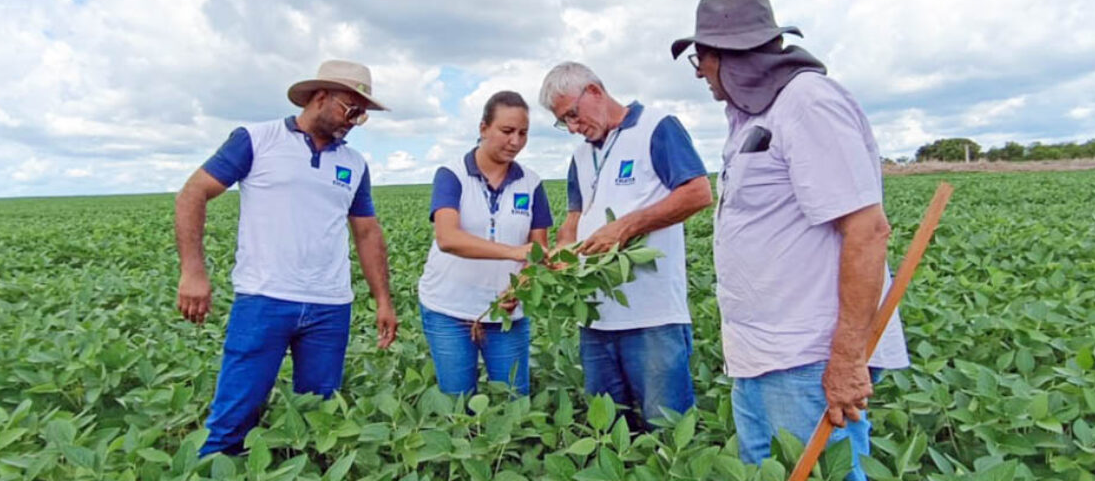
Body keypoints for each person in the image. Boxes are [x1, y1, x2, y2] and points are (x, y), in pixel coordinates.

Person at [672, 0, 909, 479]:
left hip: (808, 356)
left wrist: (846, 359)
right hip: (763, 355)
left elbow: (866, 230)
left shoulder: (807, 103)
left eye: (702, 57)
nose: (699, 71)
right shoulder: (753, 114)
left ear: (730, 54)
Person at [174, 59, 399, 457]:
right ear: (320, 97)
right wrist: (194, 271)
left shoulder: (354, 163)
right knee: (234, 415)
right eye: (351, 108)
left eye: (363, 113)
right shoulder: (256, 139)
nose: (357, 120)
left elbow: (366, 231)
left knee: (319, 417)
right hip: (264, 298)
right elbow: (193, 193)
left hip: (330, 306)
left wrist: (383, 299)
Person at [538, 62, 712, 430]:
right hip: (596, 317)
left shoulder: (656, 127)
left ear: (596, 92)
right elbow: (573, 218)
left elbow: (698, 193)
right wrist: (565, 249)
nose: (572, 127)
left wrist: (625, 227)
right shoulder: (582, 155)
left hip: (653, 317)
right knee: (609, 429)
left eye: (572, 114)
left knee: (665, 430)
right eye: (562, 122)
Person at [417, 91, 553, 396]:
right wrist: (513, 252)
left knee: (514, 400)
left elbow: (538, 250)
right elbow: (447, 238)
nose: (515, 141)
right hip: (449, 307)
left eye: (523, 133)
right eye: (507, 131)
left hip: (506, 313)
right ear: (483, 128)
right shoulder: (452, 175)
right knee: (457, 402)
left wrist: (522, 286)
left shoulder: (531, 183)